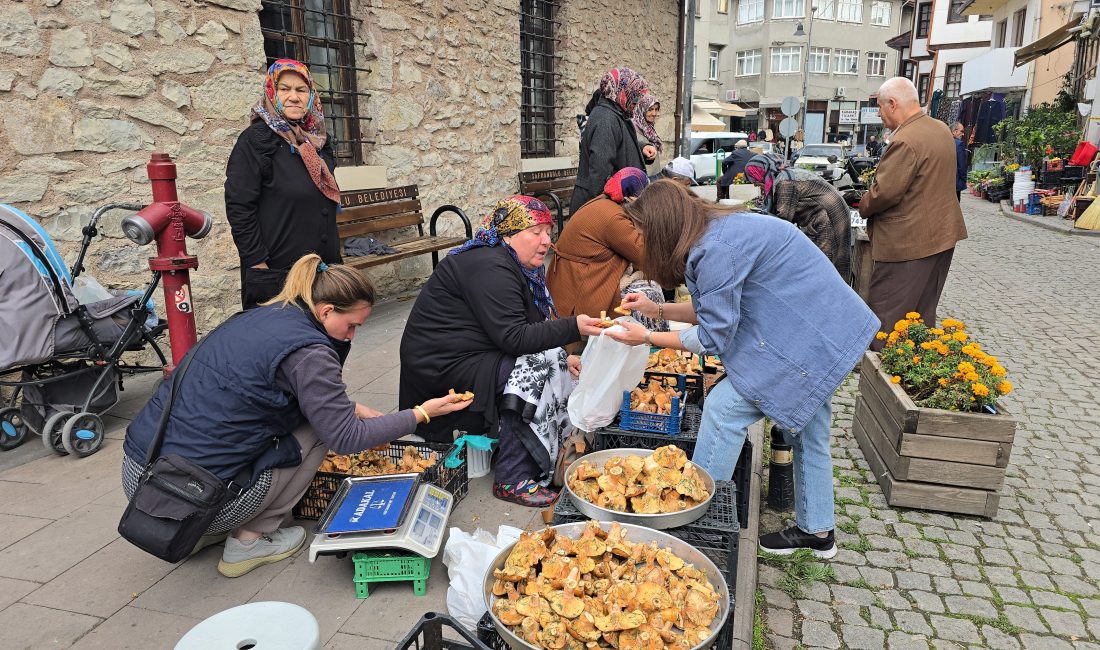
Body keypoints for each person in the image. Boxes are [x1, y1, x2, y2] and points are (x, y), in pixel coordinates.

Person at [121, 254, 470, 577]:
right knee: (318, 430)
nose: (352, 336)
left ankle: (201, 529)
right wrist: (420, 413)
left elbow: (250, 390)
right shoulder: (310, 352)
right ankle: (248, 541)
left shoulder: (265, 314)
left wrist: (350, 407)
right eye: (351, 326)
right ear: (326, 311)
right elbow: (345, 438)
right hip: (193, 495)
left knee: (299, 421)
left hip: (142, 473)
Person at [607, 180, 879, 558]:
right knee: (810, 429)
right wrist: (658, 310)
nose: (641, 242)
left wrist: (648, 337)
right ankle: (818, 530)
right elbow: (716, 306)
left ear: (661, 228)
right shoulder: (715, 230)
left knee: (723, 410)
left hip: (810, 337)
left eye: (642, 233)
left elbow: (713, 336)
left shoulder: (714, 249)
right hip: (827, 328)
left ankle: (696, 526)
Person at [398, 197, 605, 507]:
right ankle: (512, 476)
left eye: (548, 232)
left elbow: (523, 328)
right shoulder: (490, 265)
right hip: (440, 367)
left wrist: (564, 355)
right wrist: (574, 327)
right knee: (533, 370)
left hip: (470, 351)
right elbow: (514, 337)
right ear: (508, 234)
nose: (546, 241)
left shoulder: (509, 262)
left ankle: (539, 449)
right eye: (536, 232)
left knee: (549, 360)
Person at [225, 59, 342, 310]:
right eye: (284, 89)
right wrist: (258, 264)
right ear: (271, 92)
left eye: (301, 90)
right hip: (278, 273)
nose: (294, 97)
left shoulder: (319, 141)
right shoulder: (256, 141)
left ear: (311, 95)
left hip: (322, 270)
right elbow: (239, 206)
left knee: (323, 331)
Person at [859, 77, 967, 348]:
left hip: (908, 242)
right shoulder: (940, 129)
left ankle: (882, 368)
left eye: (880, 107)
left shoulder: (906, 140)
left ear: (893, 104)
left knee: (887, 315)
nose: (879, 114)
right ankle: (912, 361)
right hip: (940, 235)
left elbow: (885, 193)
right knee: (921, 313)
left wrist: (863, 204)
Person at [547, 168, 664, 345]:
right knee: (649, 293)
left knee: (648, 289)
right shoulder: (613, 216)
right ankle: (652, 346)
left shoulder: (605, 202)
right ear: (632, 197)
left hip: (574, 278)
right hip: (581, 287)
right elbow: (644, 256)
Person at [744, 154, 852, 280]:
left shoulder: (785, 182)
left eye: (755, 180)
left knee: (824, 264)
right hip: (831, 212)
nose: (755, 185)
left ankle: (830, 290)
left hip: (829, 216)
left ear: (762, 173)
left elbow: (782, 220)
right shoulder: (784, 175)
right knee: (830, 262)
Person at [570, 67, 650, 213]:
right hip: (601, 208)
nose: (637, 102)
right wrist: (605, 212)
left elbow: (618, 144)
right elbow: (600, 171)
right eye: (634, 97)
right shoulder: (606, 119)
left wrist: (641, 148)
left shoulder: (615, 114)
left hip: (609, 205)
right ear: (623, 93)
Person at [633, 95, 664, 179]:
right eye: (650, 109)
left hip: (655, 174)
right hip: (642, 176)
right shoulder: (633, 127)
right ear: (642, 109)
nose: (654, 113)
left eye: (656, 109)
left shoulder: (649, 127)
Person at [952, 122, 968, 201]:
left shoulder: (943, 142)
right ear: (954, 131)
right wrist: (964, 179)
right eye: (961, 131)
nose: (963, 134)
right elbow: (962, 165)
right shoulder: (958, 144)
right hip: (955, 181)